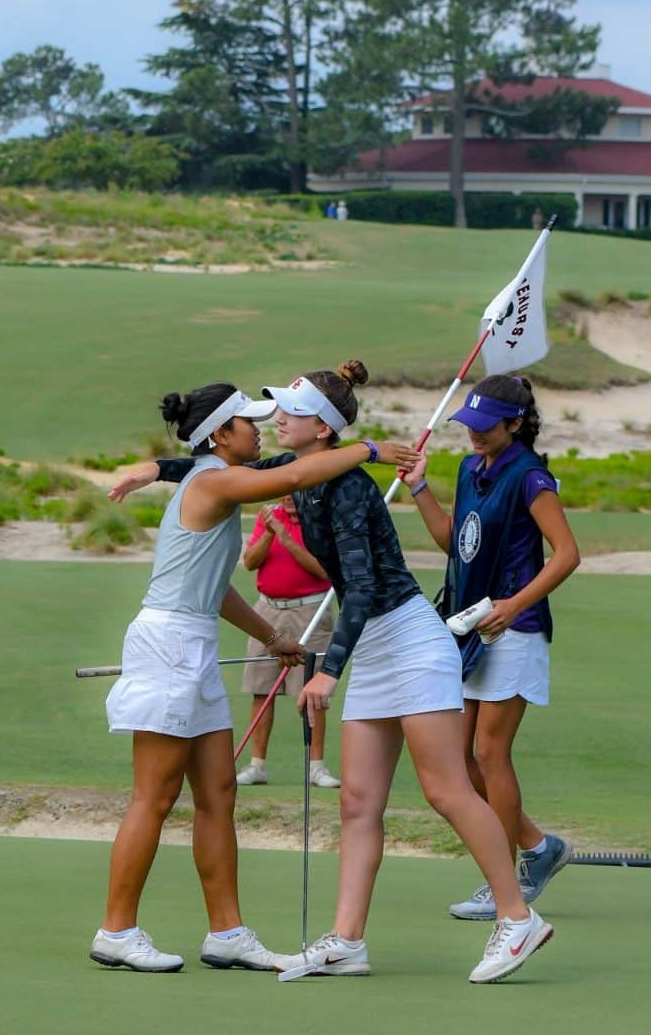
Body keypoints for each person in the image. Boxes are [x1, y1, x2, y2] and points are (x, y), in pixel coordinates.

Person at [148, 363, 555, 984]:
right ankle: (346, 941)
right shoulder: (305, 474)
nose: (278, 420)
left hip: (411, 640)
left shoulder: (348, 488)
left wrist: (328, 672)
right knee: (359, 804)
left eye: (291, 413)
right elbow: (215, 474)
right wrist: (152, 470)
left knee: (446, 790)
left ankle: (516, 916)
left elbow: (361, 588)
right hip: (374, 649)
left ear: (323, 429)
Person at [89, 381, 418, 974]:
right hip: (168, 646)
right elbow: (294, 478)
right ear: (220, 435)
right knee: (156, 796)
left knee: (218, 794)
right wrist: (370, 450)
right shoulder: (214, 481)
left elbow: (213, 588)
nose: (259, 429)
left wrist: (272, 638)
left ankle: (228, 933)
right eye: (248, 422)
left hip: (190, 643)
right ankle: (116, 930)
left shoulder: (210, 478)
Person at [402, 374, 580, 921]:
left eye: (484, 427)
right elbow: (453, 539)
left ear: (514, 424)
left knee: (487, 752)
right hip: (472, 628)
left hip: (515, 627)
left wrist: (512, 604)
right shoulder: (469, 468)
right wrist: (418, 488)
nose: (474, 435)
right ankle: (537, 847)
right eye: (470, 426)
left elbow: (567, 554)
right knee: (458, 755)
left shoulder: (532, 478)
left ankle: (502, 881)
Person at [236, 495, 340, 789]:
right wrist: (270, 532)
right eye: (285, 492)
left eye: (296, 493)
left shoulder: (320, 519)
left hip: (311, 610)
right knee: (260, 689)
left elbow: (325, 570)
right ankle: (257, 766)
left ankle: (316, 767)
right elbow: (250, 562)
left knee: (312, 692)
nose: (289, 498)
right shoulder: (267, 517)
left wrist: (285, 536)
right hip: (267, 611)